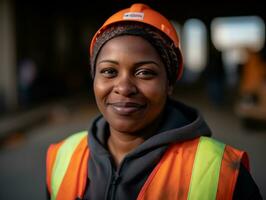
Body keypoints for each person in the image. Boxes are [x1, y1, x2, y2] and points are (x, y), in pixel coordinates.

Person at [46, 3, 262, 200]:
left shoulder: (223, 172)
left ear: (169, 84)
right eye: (109, 71)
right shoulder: (62, 158)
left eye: (144, 73)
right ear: (94, 78)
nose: (124, 87)